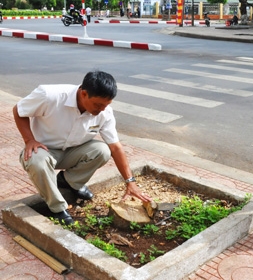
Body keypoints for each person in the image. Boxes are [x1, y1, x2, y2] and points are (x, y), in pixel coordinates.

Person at [12, 71, 152, 225]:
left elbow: (116, 148)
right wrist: (29, 140)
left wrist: (130, 182)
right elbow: (18, 110)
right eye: (98, 104)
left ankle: (69, 182)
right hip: (45, 151)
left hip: (73, 152)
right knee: (35, 161)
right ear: (84, 93)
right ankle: (57, 208)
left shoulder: (105, 113)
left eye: (107, 105)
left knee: (103, 150)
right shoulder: (50, 96)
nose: (102, 109)